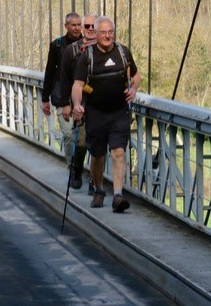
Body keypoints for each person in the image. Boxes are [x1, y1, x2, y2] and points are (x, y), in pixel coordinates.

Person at [71, 16, 141, 213]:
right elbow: (77, 85)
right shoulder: (88, 57)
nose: (107, 36)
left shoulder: (123, 52)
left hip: (119, 111)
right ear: (96, 33)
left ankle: (118, 195)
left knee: (119, 152)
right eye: (103, 32)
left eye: (110, 32)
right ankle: (99, 188)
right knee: (98, 155)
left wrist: (133, 89)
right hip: (96, 113)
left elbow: (136, 77)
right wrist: (77, 104)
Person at [41, 12, 83, 186]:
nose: (77, 28)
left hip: (82, 99)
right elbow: (49, 72)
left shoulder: (88, 45)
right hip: (61, 97)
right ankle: (72, 167)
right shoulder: (57, 46)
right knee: (68, 135)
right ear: (66, 26)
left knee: (83, 139)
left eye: (79, 24)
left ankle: (79, 167)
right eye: (73, 25)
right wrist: (45, 99)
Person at [59, 13, 98, 192]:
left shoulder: (108, 49)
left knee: (99, 145)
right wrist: (67, 104)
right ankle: (77, 169)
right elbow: (65, 79)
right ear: (83, 29)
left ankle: (94, 181)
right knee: (81, 141)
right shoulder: (72, 50)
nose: (90, 29)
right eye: (87, 26)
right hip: (80, 104)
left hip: (100, 105)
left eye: (93, 26)